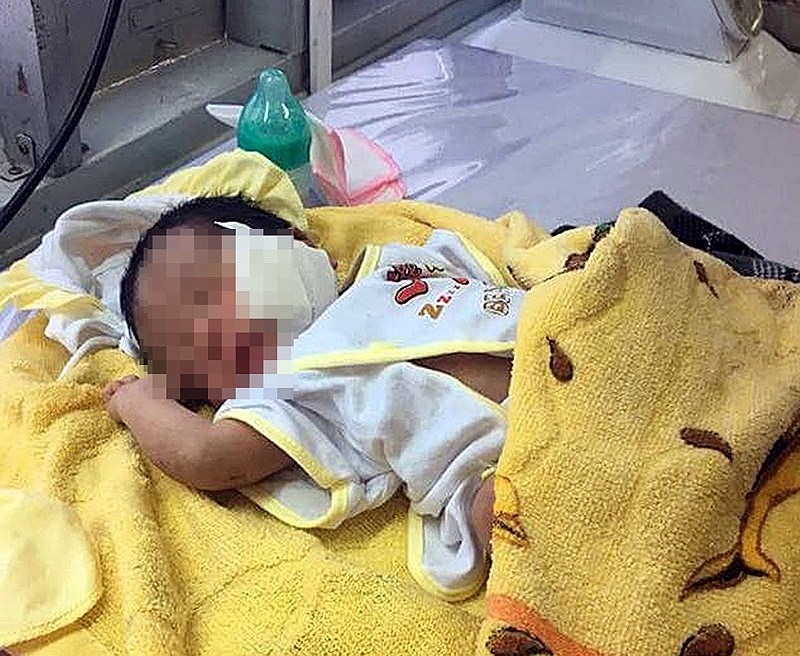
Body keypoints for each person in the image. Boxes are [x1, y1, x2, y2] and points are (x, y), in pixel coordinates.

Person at [105, 194, 524, 599]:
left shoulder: (394, 266)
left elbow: (507, 262)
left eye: (208, 292)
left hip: (547, 336)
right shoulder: (287, 392)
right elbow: (209, 455)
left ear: (296, 246)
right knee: (502, 513)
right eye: (188, 351)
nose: (211, 333)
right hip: (502, 461)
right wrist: (139, 402)